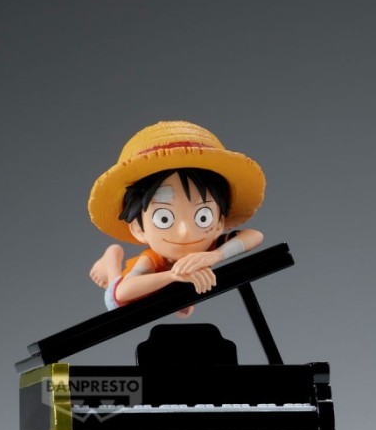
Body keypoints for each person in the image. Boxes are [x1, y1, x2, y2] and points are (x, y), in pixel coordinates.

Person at [87, 120, 266, 317]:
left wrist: (215, 255)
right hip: (123, 299)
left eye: (202, 217)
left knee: (184, 303)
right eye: (164, 218)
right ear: (138, 229)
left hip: (165, 293)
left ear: (219, 223)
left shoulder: (209, 249)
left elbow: (254, 236)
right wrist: (174, 276)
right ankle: (112, 258)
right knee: (114, 297)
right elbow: (122, 292)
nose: (184, 231)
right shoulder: (152, 260)